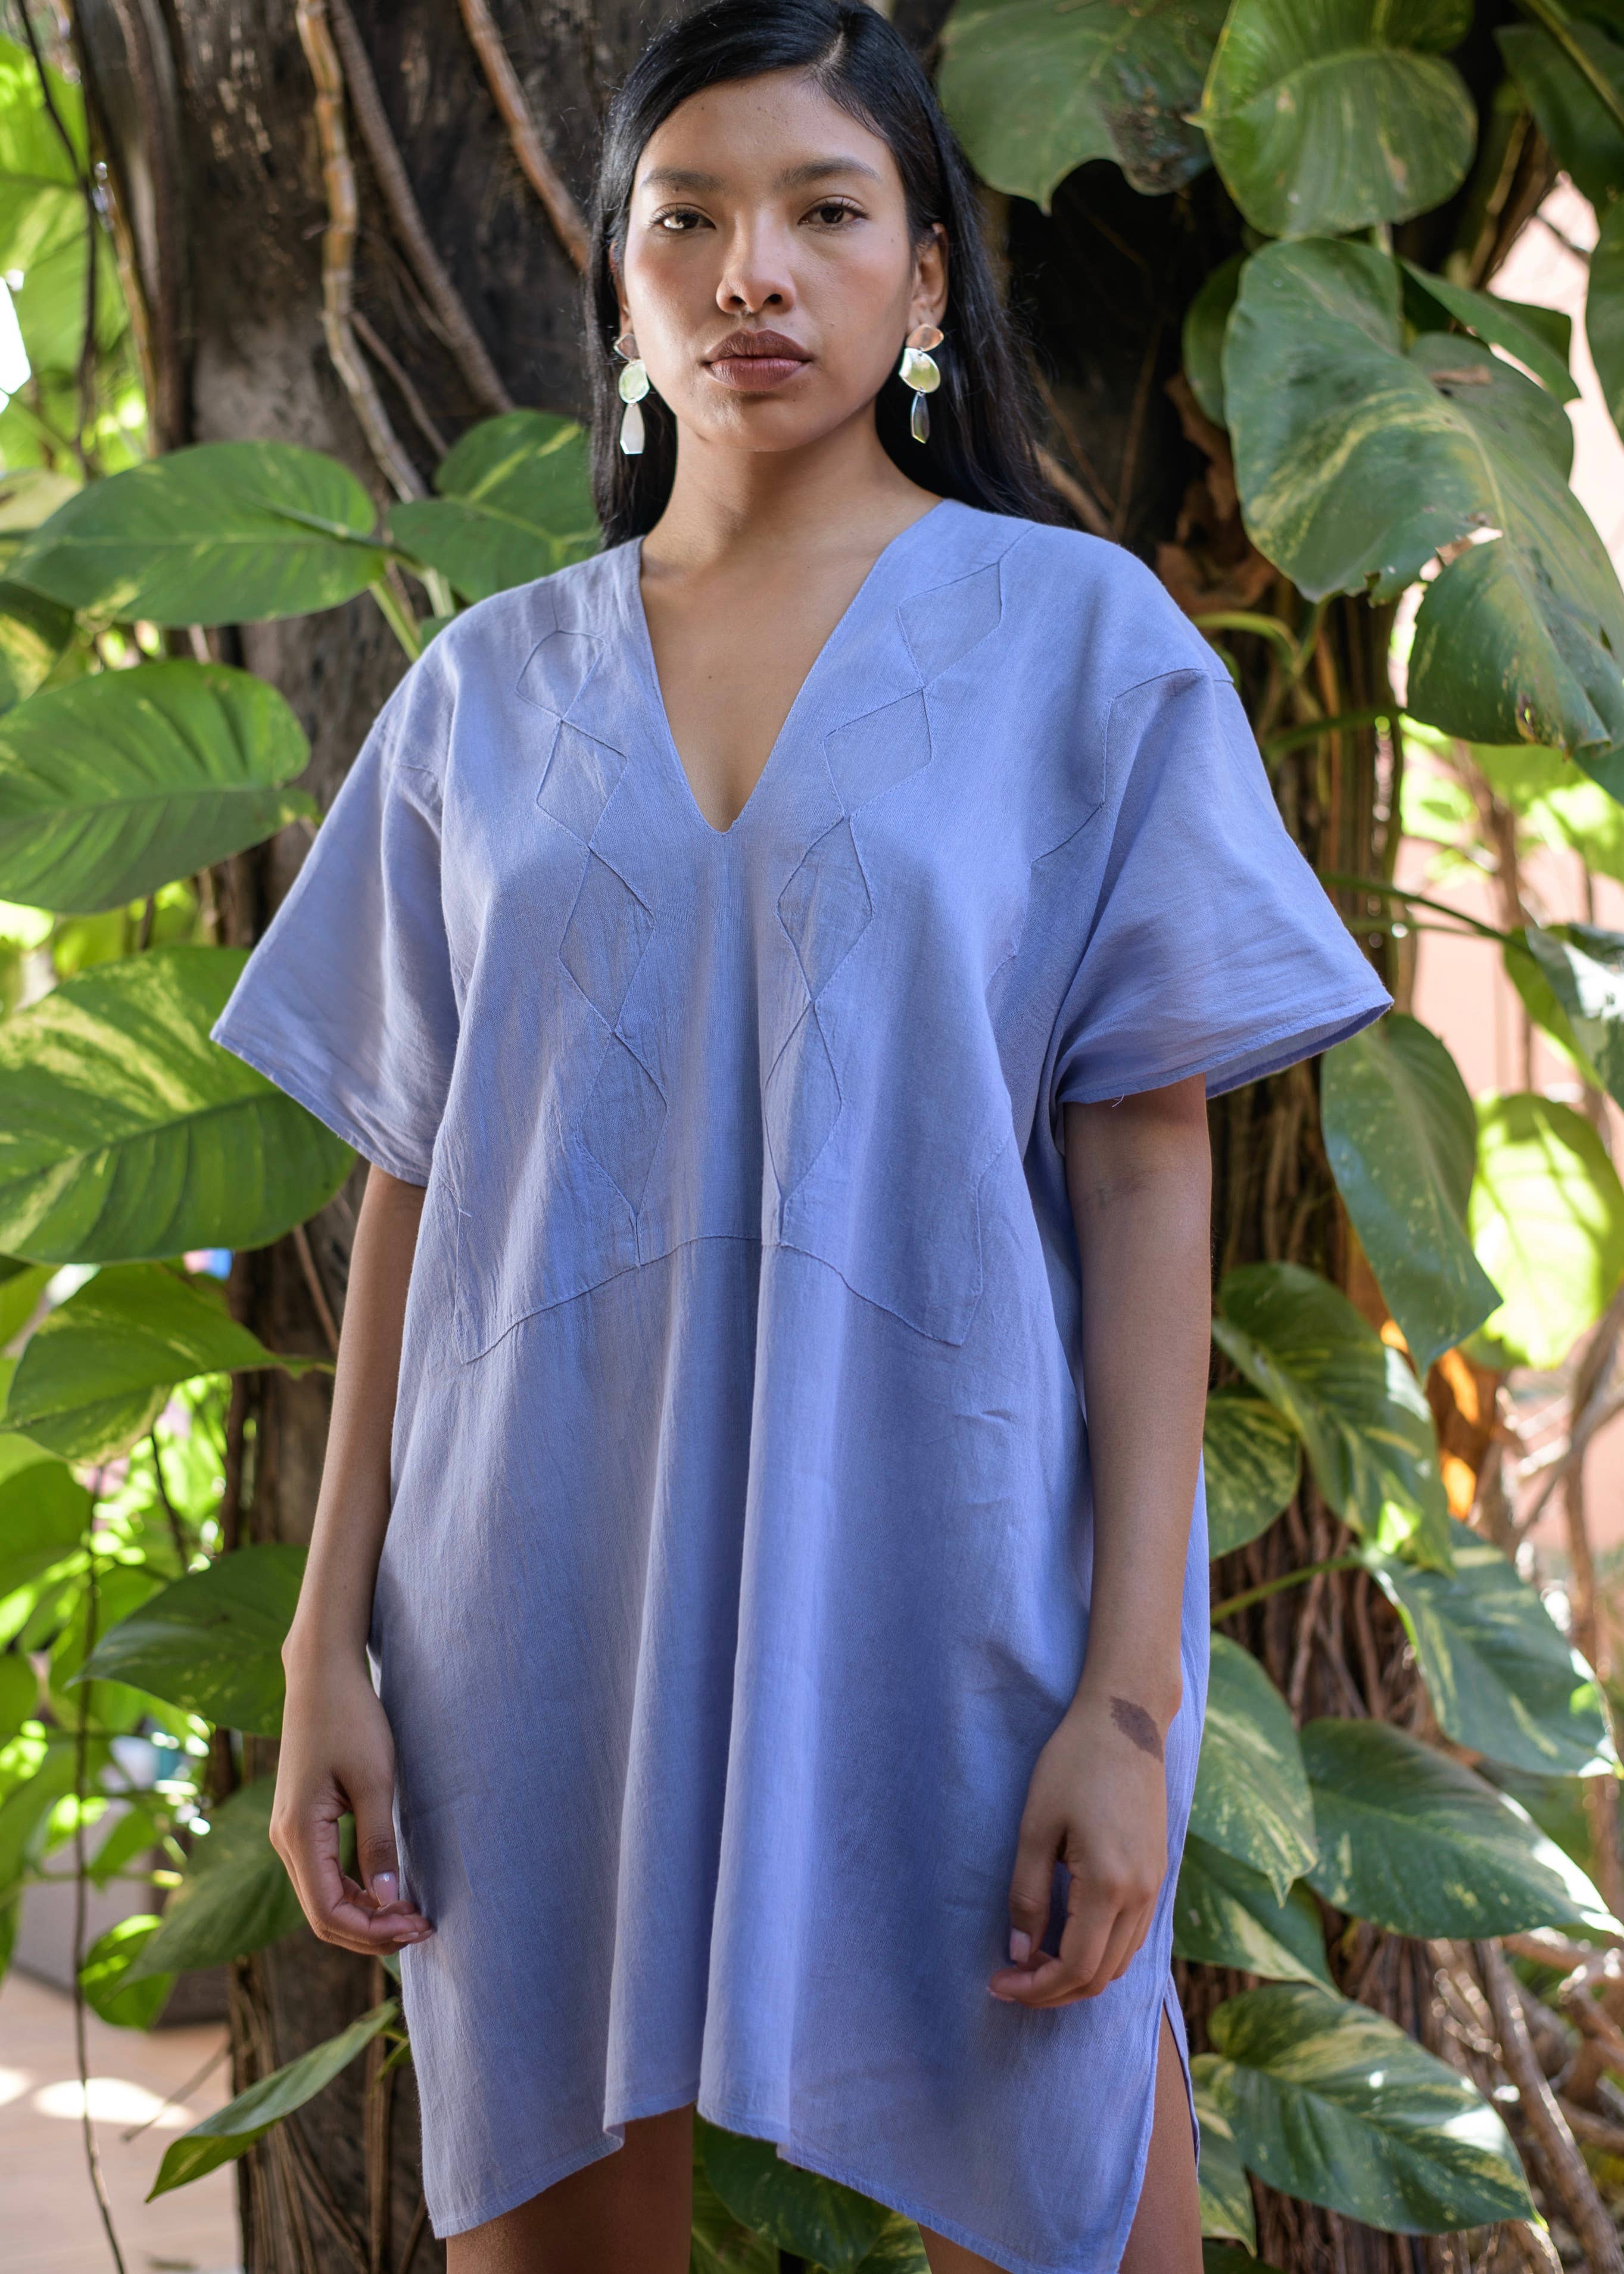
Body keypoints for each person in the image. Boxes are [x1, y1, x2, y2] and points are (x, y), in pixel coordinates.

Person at [210, 3, 1392, 2267]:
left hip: (957, 1581)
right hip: (532, 1596)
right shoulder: (483, 694)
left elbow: (1146, 1167)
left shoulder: (1082, 647)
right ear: (624, 287)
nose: (751, 269)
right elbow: (418, 1184)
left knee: (1069, 2196)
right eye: (690, 217)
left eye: (825, 211)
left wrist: (1129, 1701)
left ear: (927, 276)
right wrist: (323, 1644)